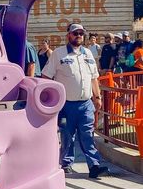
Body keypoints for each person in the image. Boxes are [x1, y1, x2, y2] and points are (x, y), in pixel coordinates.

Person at [42, 23, 109, 179]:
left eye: (81, 33)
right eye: (75, 33)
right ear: (69, 36)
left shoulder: (87, 53)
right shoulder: (58, 54)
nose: (78, 35)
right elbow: (46, 77)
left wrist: (97, 97)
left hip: (85, 103)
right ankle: (66, 164)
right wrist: (51, 99)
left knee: (87, 134)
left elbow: (94, 78)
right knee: (67, 135)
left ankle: (94, 165)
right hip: (66, 105)